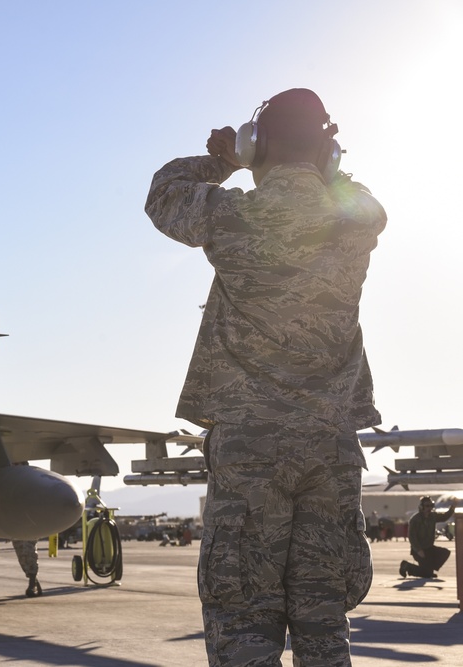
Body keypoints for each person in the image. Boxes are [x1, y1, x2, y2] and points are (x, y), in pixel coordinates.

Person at [145, 88, 386, 666]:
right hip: (330, 446)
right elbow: (365, 200)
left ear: (261, 146)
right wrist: (327, 168)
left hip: (252, 445)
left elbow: (165, 195)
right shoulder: (356, 222)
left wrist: (226, 160)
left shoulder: (232, 216)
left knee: (245, 615)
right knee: (324, 616)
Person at [400, 496, 457, 579]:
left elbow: (444, 517)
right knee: (427, 573)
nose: (429, 508)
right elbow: (412, 537)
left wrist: (452, 508)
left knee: (445, 553)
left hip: (429, 548)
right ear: (421, 507)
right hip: (419, 550)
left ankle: (428, 569)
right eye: (427, 506)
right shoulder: (415, 519)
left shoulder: (432, 516)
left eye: (431, 506)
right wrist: (419, 550)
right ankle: (406, 566)